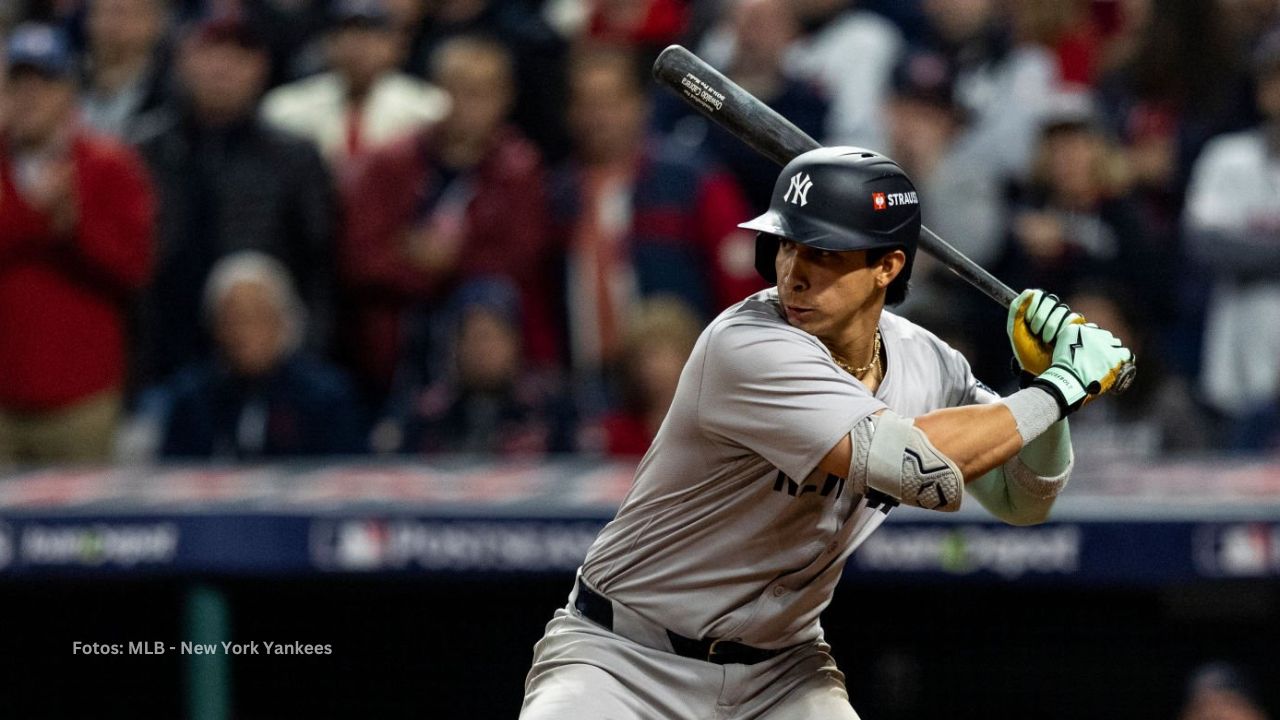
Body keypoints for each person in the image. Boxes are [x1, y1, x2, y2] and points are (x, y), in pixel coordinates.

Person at [519, 147, 1134, 718]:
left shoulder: (928, 361)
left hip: (781, 674)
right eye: (787, 245)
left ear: (887, 266)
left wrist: (1046, 394)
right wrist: (1060, 387)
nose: (795, 272)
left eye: (825, 252)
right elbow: (914, 466)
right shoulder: (748, 346)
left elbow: (1024, 498)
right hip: (623, 660)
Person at [339, 35, 557, 404]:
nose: (468, 105)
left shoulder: (519, 170)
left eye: (481, 92)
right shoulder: (389, 165)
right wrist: (433, 266)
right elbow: (361, 258)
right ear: (436, 92)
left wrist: (439, 258)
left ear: (505, 97)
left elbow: (520, 258)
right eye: (457, 89)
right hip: (396, 349)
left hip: (489, 352)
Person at [133, 15, 337, 387]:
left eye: (239, 55)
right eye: (210, 52)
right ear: (182, 61)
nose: (222, 67)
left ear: (261, 68)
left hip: (270, 364)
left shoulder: (295, 157)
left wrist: (307, 355)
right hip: (164, 358)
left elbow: (319, 270)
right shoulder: (144, 153)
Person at [0, 23, 155, 464]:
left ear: (69, 91)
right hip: (1, 399)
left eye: (44, 82)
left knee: (82, 530)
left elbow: (134, 267)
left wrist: (75, 229)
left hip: (81, 400)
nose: (30, 95)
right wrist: (36, 217)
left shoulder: (109, 166)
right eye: (18, 81)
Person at [160, 251, 364, 459]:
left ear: (283, 322)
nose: (243, 332)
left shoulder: (324, 398)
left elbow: (348, 473)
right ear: (214, 328)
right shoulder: (191, 399)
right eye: (232, 319)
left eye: (257, 317)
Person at [1182, 31, 1280, 451]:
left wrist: (1254, 251)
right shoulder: (1228, 157)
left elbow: (1230, 245)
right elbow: (1205, 245)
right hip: (1242, 360)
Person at [260, 0, 450, 174]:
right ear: (329, 43)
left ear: (397, 45)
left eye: (372, 35)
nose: (359, 46)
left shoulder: (428, 109)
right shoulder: (286, 109)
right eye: (348, 34)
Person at [395, 278, 576, 457]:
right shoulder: (428, 415)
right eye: (471, 337)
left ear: (515, 342)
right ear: (455, 345)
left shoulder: (549, 409)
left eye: (491, 337)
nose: (482, 349)